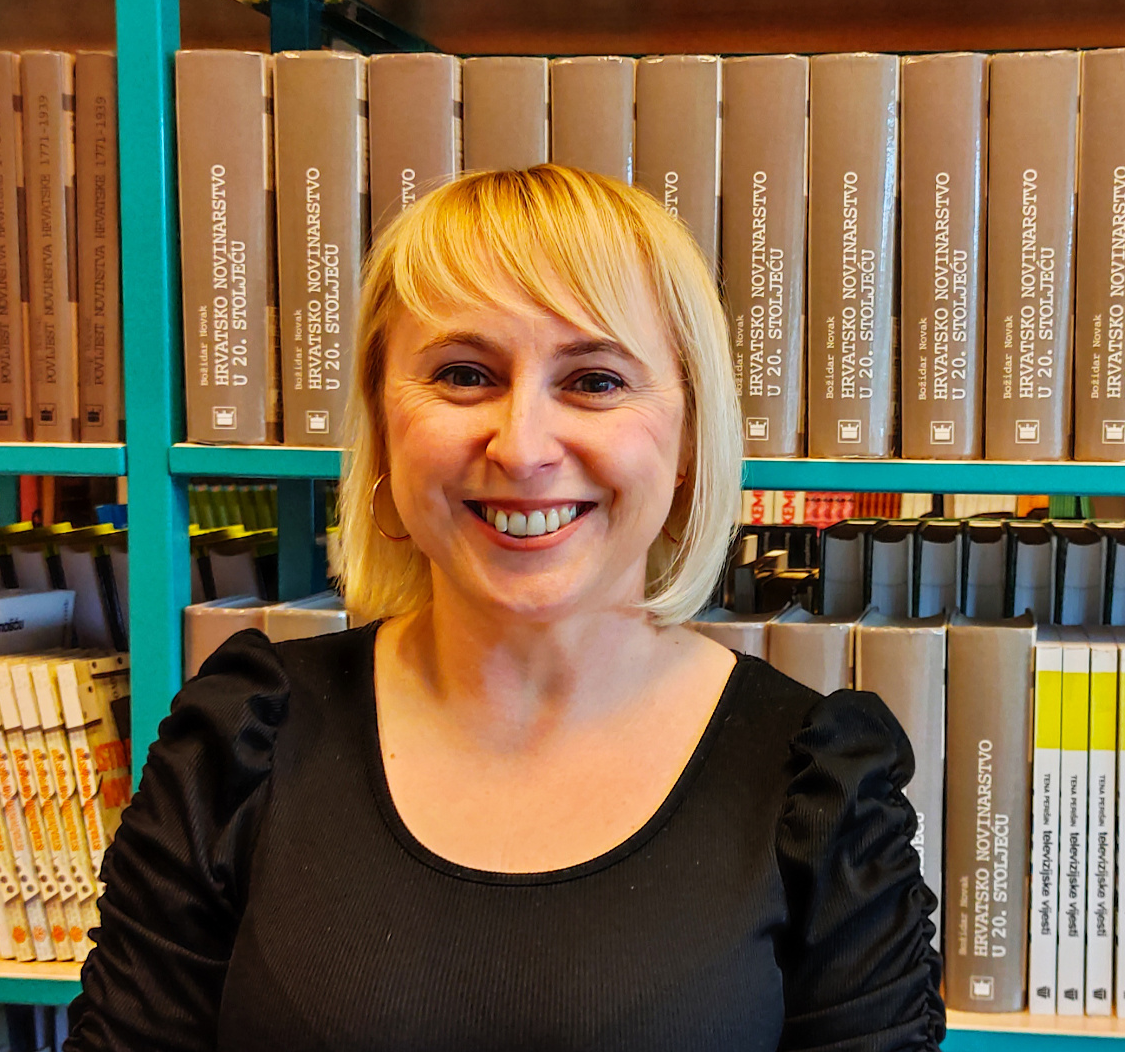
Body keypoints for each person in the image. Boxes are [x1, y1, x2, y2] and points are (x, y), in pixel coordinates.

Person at [66, 165, 944, 1052]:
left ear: (687, 438)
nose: (522, 449)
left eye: (595, 381)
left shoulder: (819, 792)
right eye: (463, 375)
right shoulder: (238, 745)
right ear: (382, 423)